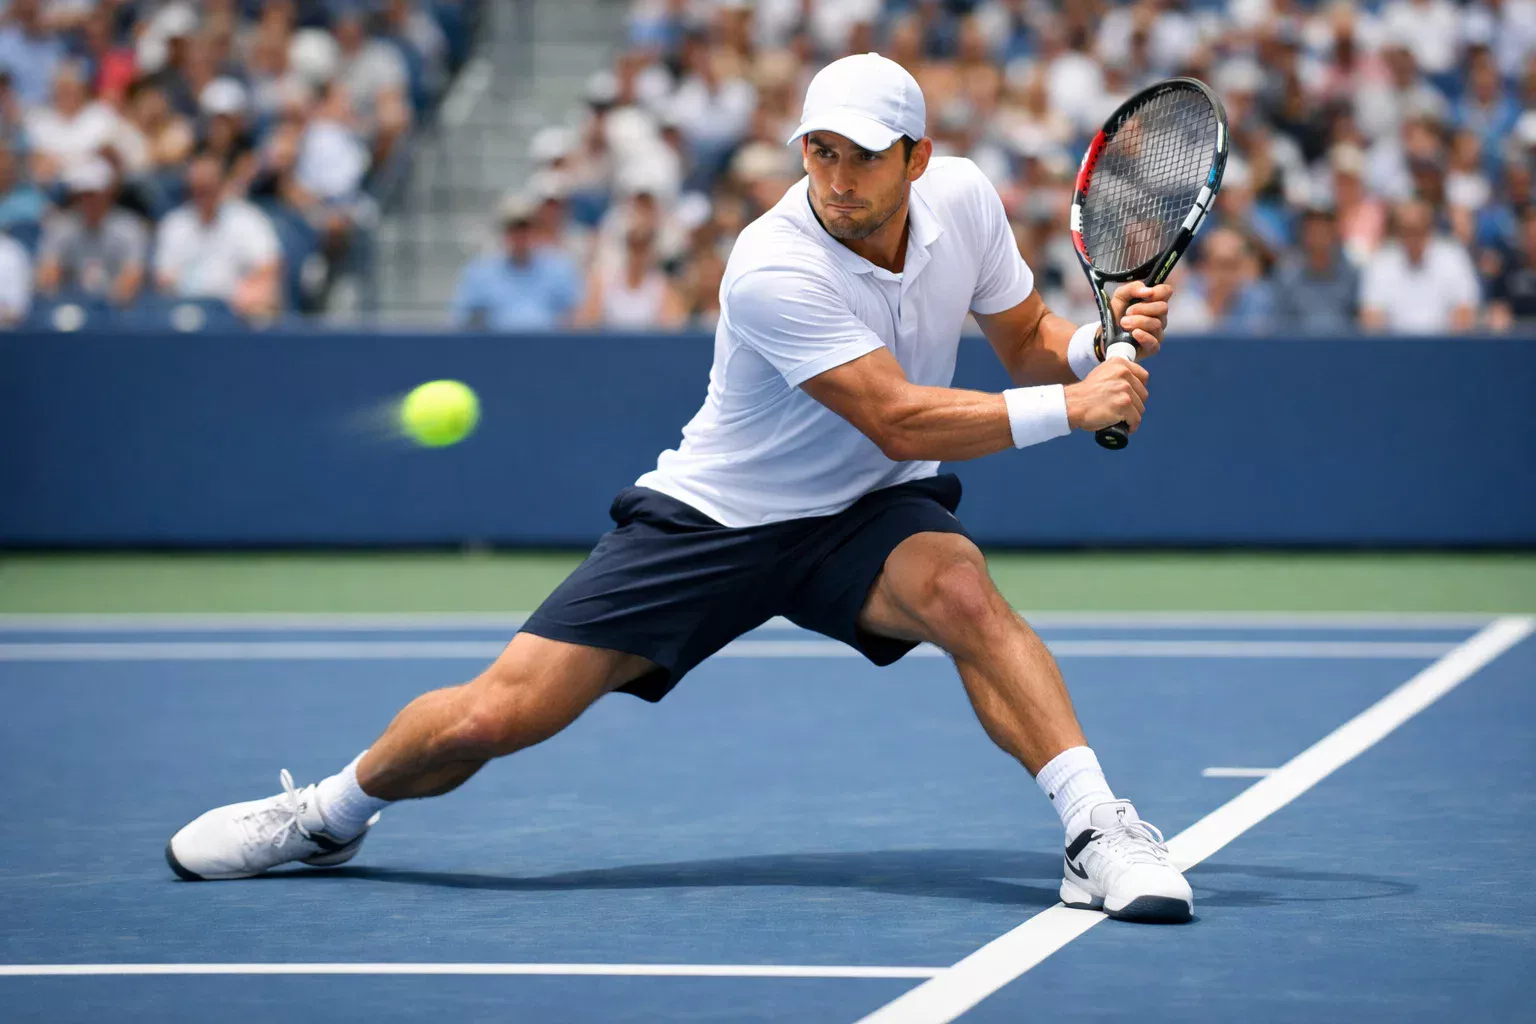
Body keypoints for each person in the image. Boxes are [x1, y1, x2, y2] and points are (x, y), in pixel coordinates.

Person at [166, 54, 1193, 924]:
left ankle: (1096, 827)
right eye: (818, 151)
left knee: (966, 595)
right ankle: (325, 816)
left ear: (917, 161)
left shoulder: (963, 203)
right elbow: (895, 414)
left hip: (865, 517)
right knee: (492, 715)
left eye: (863, 157)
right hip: (717, 519)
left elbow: (1023, 341)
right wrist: (1079, 405)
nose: (835, 177)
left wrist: (1086, 344)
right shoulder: (769, 263)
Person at [153, 152, 282, 320]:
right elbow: (164, 279)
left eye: (208, 187)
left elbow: (269, 269)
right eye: (197, 188)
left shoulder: (248, 220)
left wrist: (246, 295)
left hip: (237, 314)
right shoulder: (174, 224)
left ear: (221, 185)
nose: (202, 194)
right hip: (185, 313)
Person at [448, 193, 582, 331]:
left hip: (549, 349)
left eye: (525, 228)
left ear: (536, 230)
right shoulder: (479, 273)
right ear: (504, 232)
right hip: (493, 349)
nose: (520, 235)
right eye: (514, 228)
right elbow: (464, 321)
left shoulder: (560, 269)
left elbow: (576, 318)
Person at [34, 158, 148, 305]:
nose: (87, 200)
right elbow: (47, 275)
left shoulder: (129, 228)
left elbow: (133, 275)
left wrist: (103, 306)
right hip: (71, 307)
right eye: (82, 194)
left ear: (107, 192)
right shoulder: (61, 227)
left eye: (92, 194)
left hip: (117, 311)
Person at [1359, 199, 1479, 334]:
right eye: (1406, 231)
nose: (1412, 237)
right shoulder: (1382, 260)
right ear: (1398, 232)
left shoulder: (1453, 256)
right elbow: (1371, 316)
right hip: (1394, 349)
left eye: (1418, 230)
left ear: (1430, 230)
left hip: (1444, 347)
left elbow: (1465, 311)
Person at [1273, 208, 1358, 335]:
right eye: (1312, 229)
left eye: (1324, 228)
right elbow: (1278, 323)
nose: (1318, 234)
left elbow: (1360, 322)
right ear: (1302, 234)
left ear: (1335, 232)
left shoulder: (1352, 275)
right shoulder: (1286, 275)